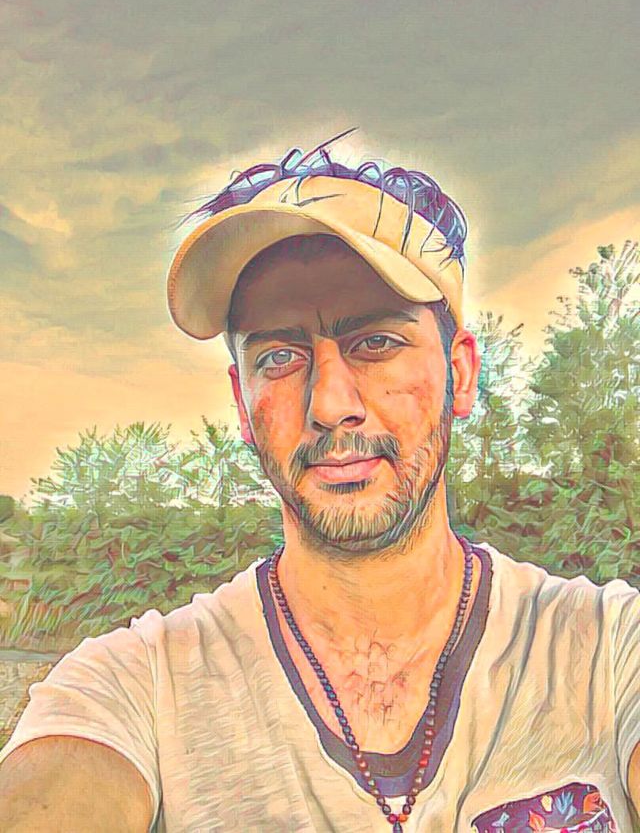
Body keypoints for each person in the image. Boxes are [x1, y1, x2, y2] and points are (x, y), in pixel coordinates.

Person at [0, 135, 638, 833]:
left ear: (459, 374)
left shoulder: (607, 652)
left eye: (376, 342)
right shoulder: (135, 687)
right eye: (280, 356)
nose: (330, 405)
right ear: (242, 402)